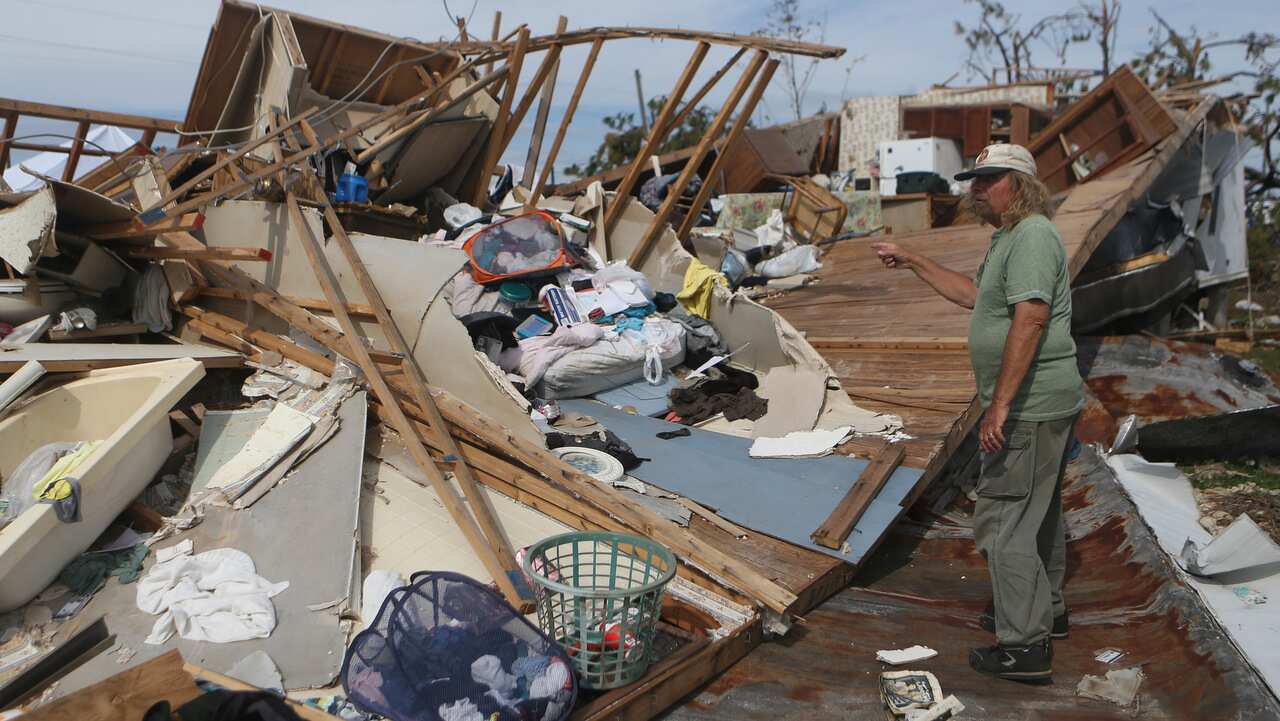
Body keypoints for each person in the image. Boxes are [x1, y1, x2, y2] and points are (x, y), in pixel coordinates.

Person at [871, 143, 1084, 682]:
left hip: (1029, 408)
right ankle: (1047, 611)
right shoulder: (1008, 239)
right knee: (1039, 514)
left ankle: (1024, 646)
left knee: (1003, 522)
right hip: (1042, 406)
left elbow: (1030, 320)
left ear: (1022, 186)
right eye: (974, 179)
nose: (976, 189)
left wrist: (1000, 407)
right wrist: (916, 260)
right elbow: (975, 297)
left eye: (989, 179)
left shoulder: (1033, 235)